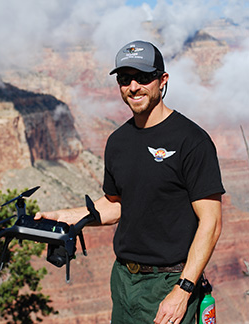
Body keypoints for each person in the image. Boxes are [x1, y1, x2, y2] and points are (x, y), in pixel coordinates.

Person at [34, 40, 224, 324]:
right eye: (125, 79)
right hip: (123, 280)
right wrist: (64, 216)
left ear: (163, 80)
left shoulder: (192, 141)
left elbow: (212, 222)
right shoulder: (117, 142)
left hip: (169, 282)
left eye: (143, 77)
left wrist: (183, 290)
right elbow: (116, 205)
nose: (134, 86)